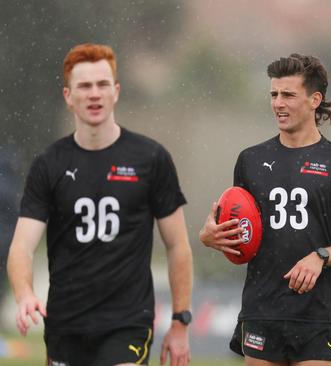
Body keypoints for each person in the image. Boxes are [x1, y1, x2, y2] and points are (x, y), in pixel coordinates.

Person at [7, 43, 193, 366]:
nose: (94, 94)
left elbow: (178, 245)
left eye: (102, 84)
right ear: (68, 96)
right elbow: (21, 247)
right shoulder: (48, 164)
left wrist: (181, 321)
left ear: (116, 91)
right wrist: (24, 294)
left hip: (127, 323)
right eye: (84, 86)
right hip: (66, 324)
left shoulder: (151, 159)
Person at [200, 53, 331, 366]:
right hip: (261, 307)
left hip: (316, 312)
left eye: (289, 95)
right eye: (274, 94)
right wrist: (211, 237)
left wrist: (321, 256)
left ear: (314, 99)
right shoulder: (250, 160)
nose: (279, 103)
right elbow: (239, 236)